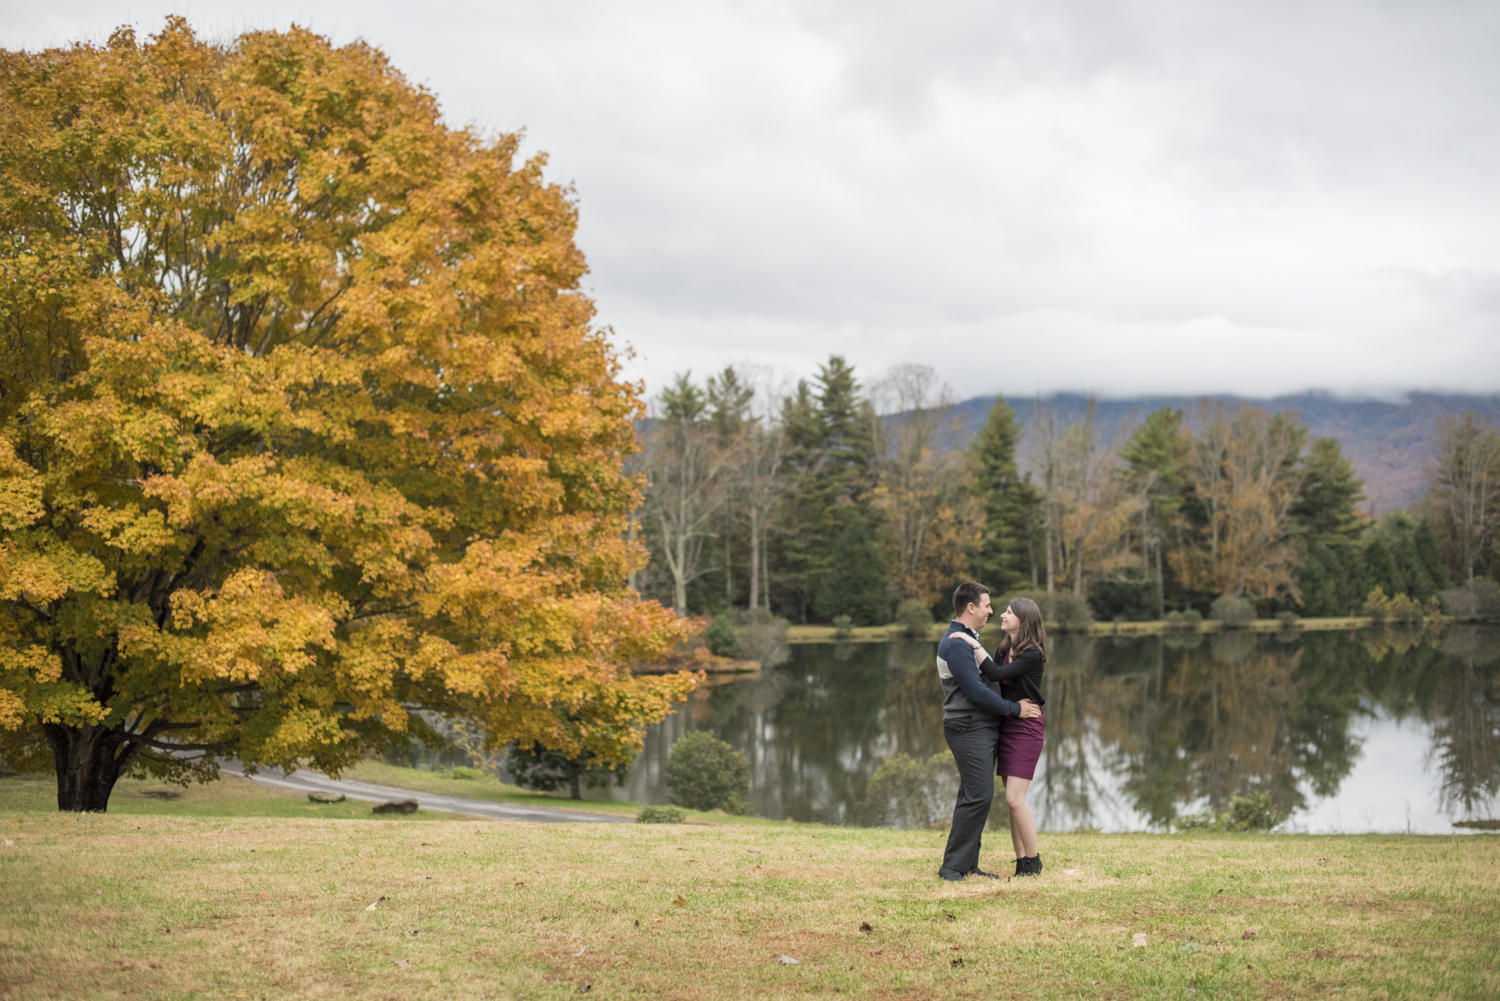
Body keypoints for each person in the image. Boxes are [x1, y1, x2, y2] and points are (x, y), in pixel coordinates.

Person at [936, 582, 1041, 881]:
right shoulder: (957, 643)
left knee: (973, 794)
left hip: (978, 726)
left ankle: (967, 864)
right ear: (971, 608)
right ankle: (953, 868)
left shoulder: (966, 639)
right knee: (979, 795)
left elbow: (994, 675)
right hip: (968, 725)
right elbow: (977, 693)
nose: (992, 611)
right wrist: (1015, 710)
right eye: (987, 605)